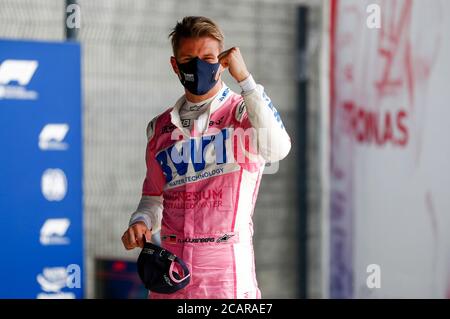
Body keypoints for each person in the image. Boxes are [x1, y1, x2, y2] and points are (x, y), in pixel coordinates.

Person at [121, 16, 291, 299]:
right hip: (171, 273)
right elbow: (152, 197)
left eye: (208, 57)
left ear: (221, 62)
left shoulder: (245, 112)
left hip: (227, 274)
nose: (198, 65)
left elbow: (278, 149)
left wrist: (246, 81)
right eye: (188, 58)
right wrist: (140, 221)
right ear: (175, 65)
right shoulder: (159, 128)